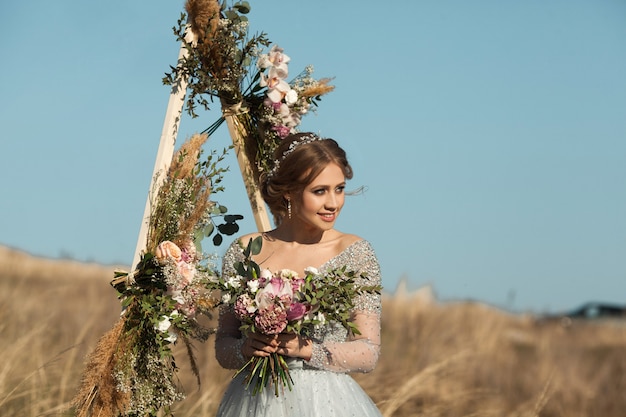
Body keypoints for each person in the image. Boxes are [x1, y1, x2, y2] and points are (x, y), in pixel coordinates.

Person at [215, 132, 383, 417]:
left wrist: (306, 349)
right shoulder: (245, 251)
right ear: (289, 191)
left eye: (339, 188)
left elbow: (368, 352)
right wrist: (246, 348)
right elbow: (223, 346)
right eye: (320, 191)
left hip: (329, 404)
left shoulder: (356, 253)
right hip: (256, 402)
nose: (333, 203)